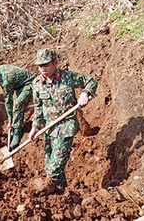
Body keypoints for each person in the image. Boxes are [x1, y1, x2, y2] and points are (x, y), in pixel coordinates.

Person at [29, 48, 97, 188]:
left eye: (46, 65)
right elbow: (38, 107)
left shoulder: (68, 77)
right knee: (50, 166)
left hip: (66, 127)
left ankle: (52, 194)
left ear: (56, 63)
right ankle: (62, 195)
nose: (43, 69)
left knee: (53, 169)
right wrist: (35, 126)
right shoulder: (37, 84)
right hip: (49, 129)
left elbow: (91, 81)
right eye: (40, 66)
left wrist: (85, 93)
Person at [0, 65, 34, 150]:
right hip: (19, 86)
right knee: (16, 107)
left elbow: (8, 101)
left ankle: (17, 132)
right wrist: (11, 118)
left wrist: (10, 119)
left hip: (29, 83)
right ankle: (15, 126)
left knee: (18, 104)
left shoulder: (5, 82)